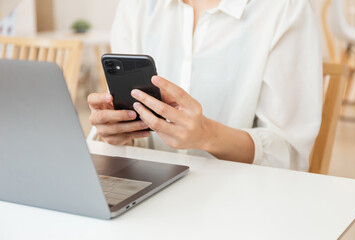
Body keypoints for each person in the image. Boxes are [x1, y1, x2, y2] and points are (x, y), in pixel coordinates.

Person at [88, 0, 322, 171]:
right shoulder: (136, 7)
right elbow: (132, 130)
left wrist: (207, 135)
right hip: (148, 193)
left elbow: (290, 157)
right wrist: (116, 133)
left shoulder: (285, 9)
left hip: (240, 202)